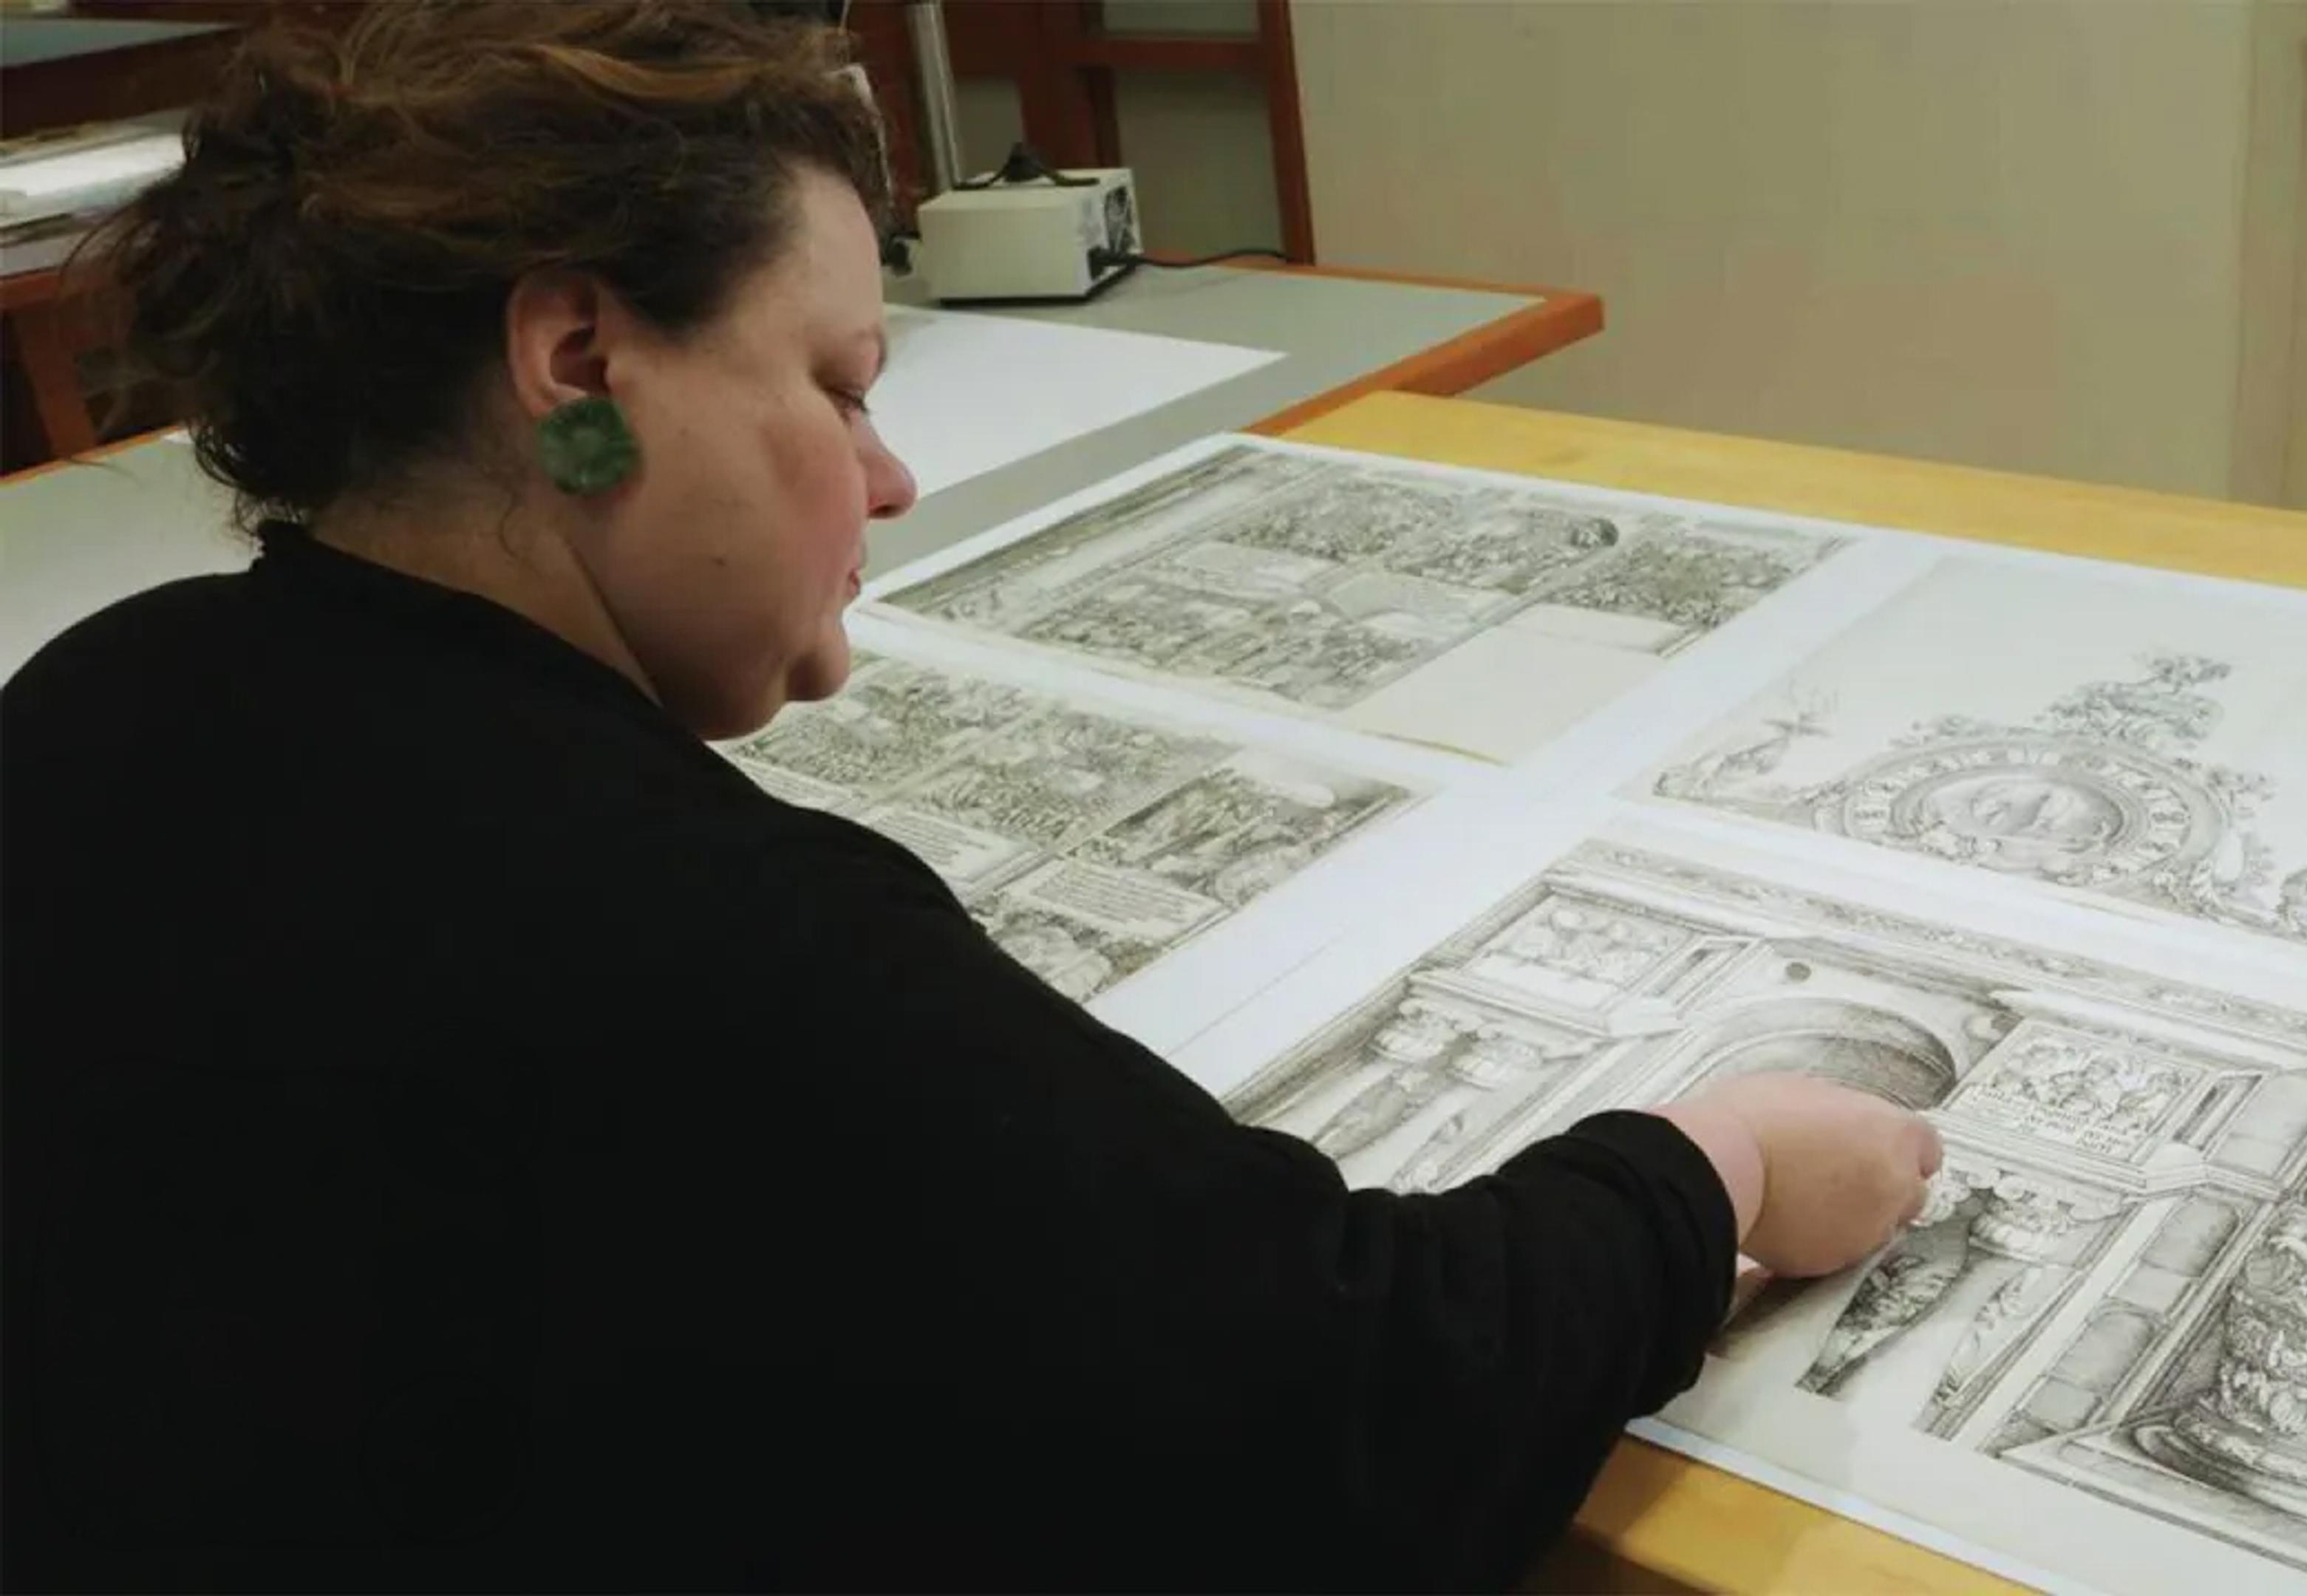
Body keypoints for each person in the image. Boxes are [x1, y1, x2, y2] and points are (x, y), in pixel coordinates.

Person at [0, 4, 1944, 1589]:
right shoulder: (711, 939)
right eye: (838, 388)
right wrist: (1722, 1168)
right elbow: (1354, 1409)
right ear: (579, 359)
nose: (892, 474)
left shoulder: (101, 695)